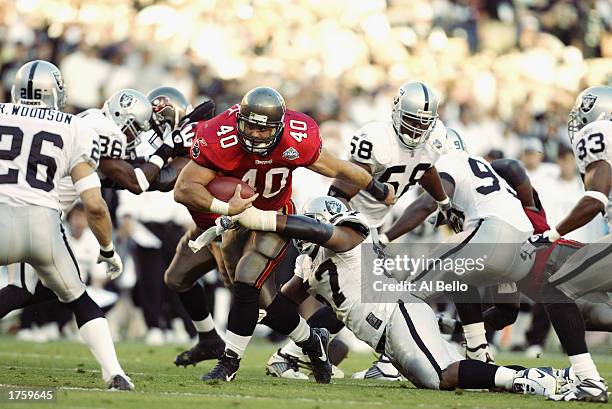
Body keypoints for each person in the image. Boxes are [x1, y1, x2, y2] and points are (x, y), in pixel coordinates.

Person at [223, 195, 562, 397]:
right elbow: (282, 306)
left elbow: (319, 231)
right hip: (386, 335)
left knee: (442, 377)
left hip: (399, 314)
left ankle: (526, 379)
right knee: (451, 375)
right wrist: (250, 282)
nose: (303, 236)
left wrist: (263, 218)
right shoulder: (309, 263)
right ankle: (547, 376)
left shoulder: (349, 235)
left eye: (312, 224)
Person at [174, 86, 395, 382]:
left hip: (275, 215)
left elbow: (339, 167)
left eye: (263, 129)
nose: (254, 134)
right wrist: (225, 208)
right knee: (260, 297)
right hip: (235, 215)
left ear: (278, 128)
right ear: (239, 120)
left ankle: (228, 363)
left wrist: (378, 189)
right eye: (249, 125)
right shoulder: (219, 137)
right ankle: (311, 341)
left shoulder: (297, 138)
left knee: (247, 278)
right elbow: (184, 189)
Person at [0, 60, 132, 390]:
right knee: (79, 299)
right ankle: (115, 374)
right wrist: (108, 249)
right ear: (56, 92)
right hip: (43, 224)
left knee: (20, 289)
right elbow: (94, 205)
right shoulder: (73, 126)